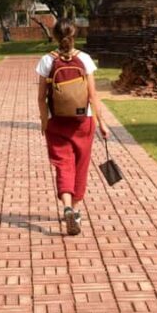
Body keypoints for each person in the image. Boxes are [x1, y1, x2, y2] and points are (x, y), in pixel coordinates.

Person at [36, 19, 109, 236]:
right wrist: (102, 123)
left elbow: (41, 98)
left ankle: (67, 206)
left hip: (57, 122)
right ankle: (75, 211)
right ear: (74, 35)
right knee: (80, 166)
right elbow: (93, 96)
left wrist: (44, 121)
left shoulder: (47, 60)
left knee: (63, 165)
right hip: (83, 122)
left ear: (55, 35)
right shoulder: (84, 59)